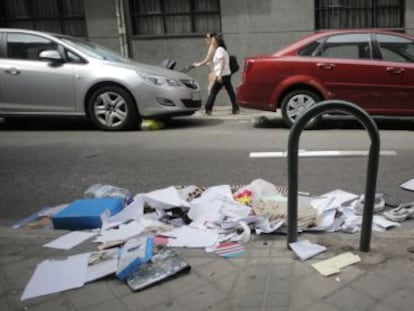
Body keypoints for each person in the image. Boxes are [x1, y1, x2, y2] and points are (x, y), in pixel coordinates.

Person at [203, 34, 240, 115]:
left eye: (213, 41)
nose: (212, 42)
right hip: (226, 74)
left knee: (213, 92)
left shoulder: (219, 50)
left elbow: (222, 62)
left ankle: (208, 109)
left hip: (222, 75)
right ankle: (235, 108)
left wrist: (219, 75)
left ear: (217, 42)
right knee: (230, 92)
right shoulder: (222, 49)